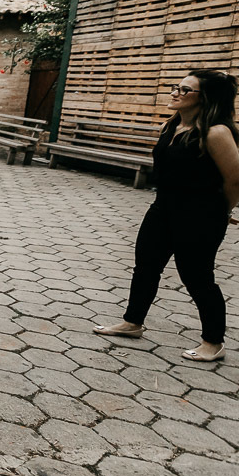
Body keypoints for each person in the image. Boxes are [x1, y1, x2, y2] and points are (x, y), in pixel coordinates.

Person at [95, 70, 239, 362]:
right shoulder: (170, 126)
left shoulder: (215, 132)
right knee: (145, 266)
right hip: (162, 208)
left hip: (200, 215)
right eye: (176, 87)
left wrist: (224, 211)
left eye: (185, 90)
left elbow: (234, 180)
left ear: (205, 97)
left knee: (198, 277)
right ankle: (132, 322)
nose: (175, 93)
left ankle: (213, 342)